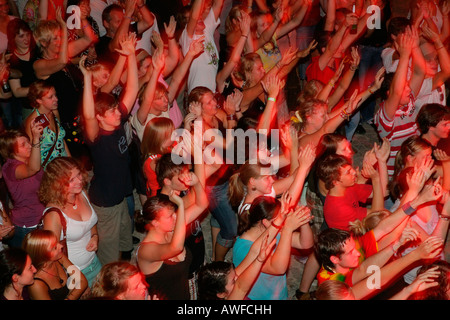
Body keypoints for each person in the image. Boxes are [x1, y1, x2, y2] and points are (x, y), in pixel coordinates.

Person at [80, 33, 139, 265]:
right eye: (112, 111)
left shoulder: (115, 121)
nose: (119, 113)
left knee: (126, 240)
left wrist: (131, 55)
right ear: (99, 118)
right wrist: (86, 78)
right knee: (109, 254)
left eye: (117, 108)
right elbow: (87, 114)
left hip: (121, 197)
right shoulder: (97, 137)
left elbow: (132, 89)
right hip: (106, 204)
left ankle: (123, 266)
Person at [232, 195, 314, 300]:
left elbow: (305, 244)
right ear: (266, 222)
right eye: (280, 217)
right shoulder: (244, 247)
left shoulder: (275, 230)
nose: (283, 219)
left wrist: (303, 220)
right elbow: (278, 268)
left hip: (279, 294)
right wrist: (288, 229)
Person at [38, 156, 101, 288]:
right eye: (71, 180)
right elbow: (53, 254)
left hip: (95, 262)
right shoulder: (53, 214)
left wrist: (95, 236)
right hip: (74, 273)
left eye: (78, 175)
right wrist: (78, 280)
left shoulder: (82, 193)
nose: (79, 181)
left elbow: (91, 223)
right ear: (57, 184)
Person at [134, 192, 191, 300]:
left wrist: (196, 182)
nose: (176, 216)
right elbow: (176, 248)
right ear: (156, 223)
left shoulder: (169, 232)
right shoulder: (145, 250)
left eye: (175, 212)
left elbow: (200, 204)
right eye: (170, 216)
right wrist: (181, 205)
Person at [0, 125, 44, 248]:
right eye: (23, 145)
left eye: (28, 141)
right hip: (27, 225)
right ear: (11, 152)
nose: (29, 146)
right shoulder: (10, 168)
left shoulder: (31, 159)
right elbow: (33, 169)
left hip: (42, 218)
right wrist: (36, 139)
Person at [197, 231, 275, 300]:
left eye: (235, 273)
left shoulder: (228, 278)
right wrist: (259, 260)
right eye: (233, 281)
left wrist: (276, 224)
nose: (238, 276)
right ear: (222, 294)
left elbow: (253, 253)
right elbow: (241, 288)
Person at [317, 154, 386, 231]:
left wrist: (381, 161)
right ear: (335, 182)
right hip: (352, 241)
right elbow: (378, 213)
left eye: (351, 168)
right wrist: (375, 179)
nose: (354, 172)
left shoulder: (347, 187)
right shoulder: (339, 208)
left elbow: (382, 192)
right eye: (348, 172)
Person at [23, 229, 88, 300]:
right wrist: (76, 292)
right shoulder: (36, 284)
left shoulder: (59, 257)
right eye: (55, 247)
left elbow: (82, 281)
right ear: (42, 255)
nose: (61, 246)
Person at [23, 80, 71, 168]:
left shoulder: (54, 112)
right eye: (50, 97)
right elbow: (30, 153)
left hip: (64, 165)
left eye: (55, 95)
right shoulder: (33, 122)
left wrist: (70, 160)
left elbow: (60, 139)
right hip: (49, 170)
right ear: (39, 100)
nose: (56, 99)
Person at [6, 18, 39, 120]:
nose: (27, 39)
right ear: (13, 38)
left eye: (28, 34)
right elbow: (17, 91)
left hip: (48, 101)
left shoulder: (37, 49)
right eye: (21, 36)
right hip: (29, 106)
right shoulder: (11, 59)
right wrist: (41, 89)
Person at [141, 117, 175, 197]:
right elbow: (173, 174)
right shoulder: (154, 161)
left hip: (168, 188)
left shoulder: (167, 145)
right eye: (171, 134)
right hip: (160, 194)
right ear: (159, 140)